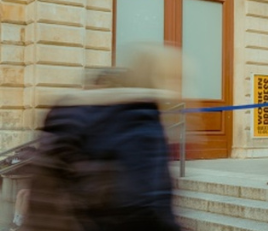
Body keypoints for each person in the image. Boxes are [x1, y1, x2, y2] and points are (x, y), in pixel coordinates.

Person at [23, 47, 182, 231]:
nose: (180, 89)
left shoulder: (64, 114)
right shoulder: (140, 123)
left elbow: (43, 196)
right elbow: (147, 209)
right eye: (176, 78)